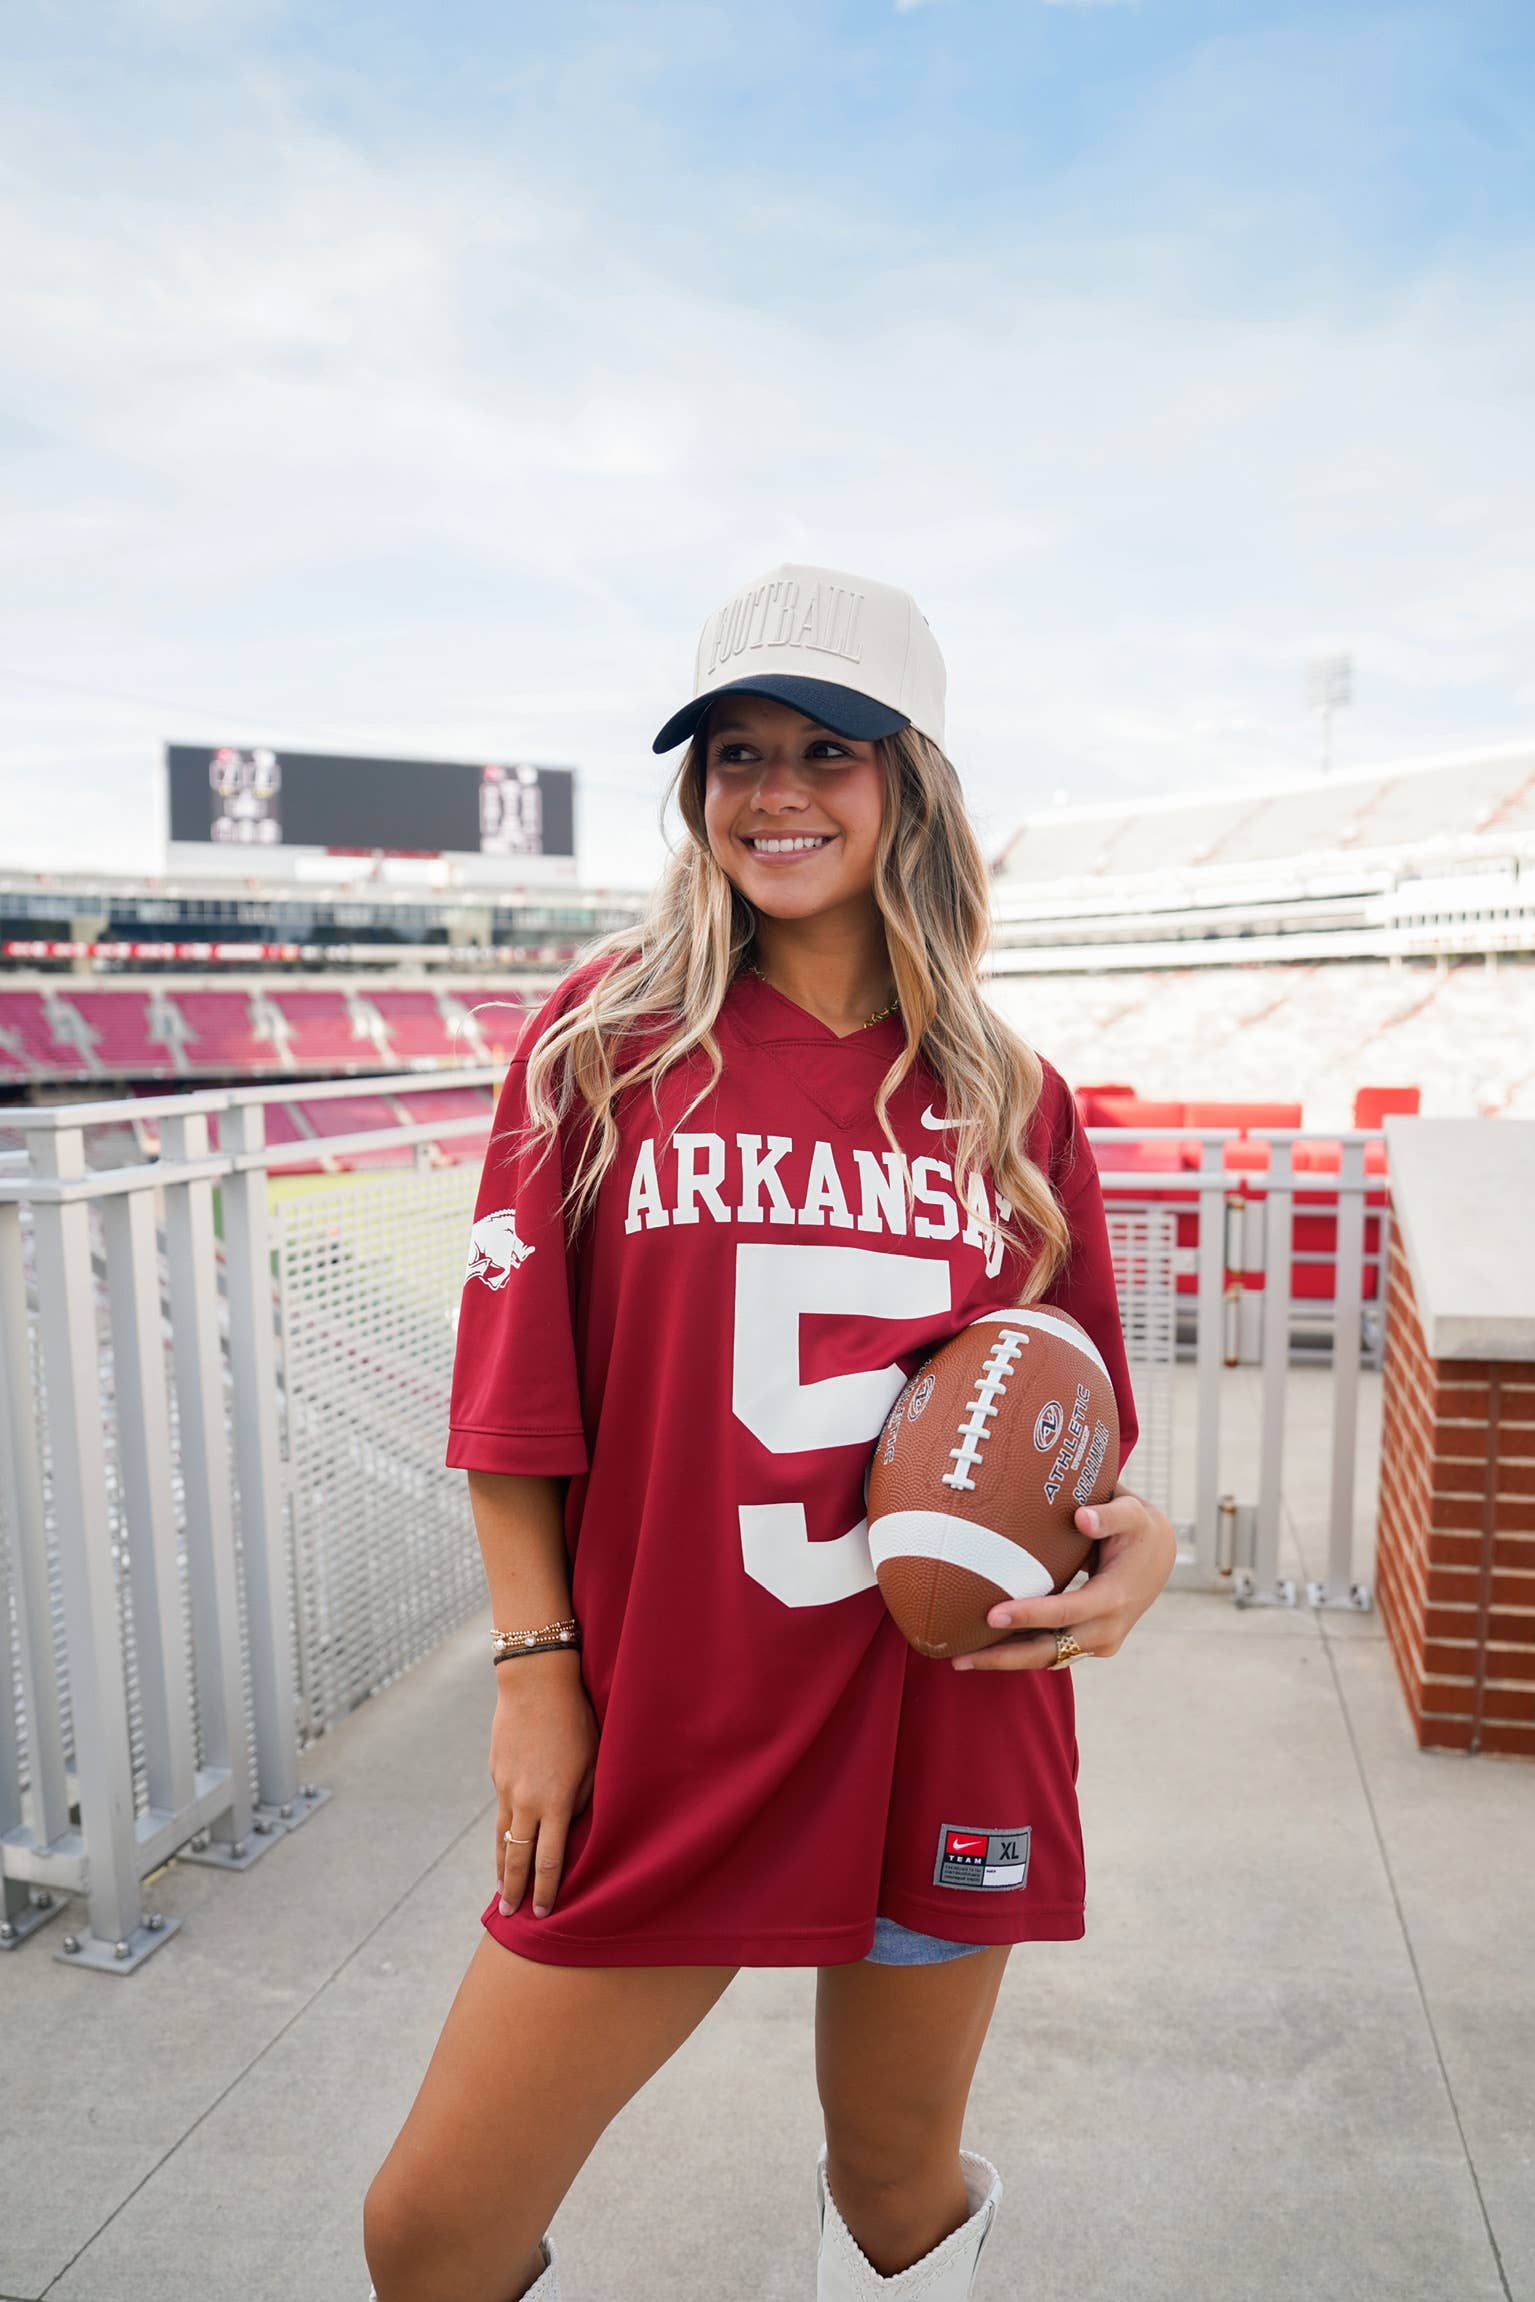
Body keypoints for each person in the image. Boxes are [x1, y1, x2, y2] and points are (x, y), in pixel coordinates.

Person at [363, 562, 1178, 2302]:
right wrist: (535, 1672)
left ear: (914, 786)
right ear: (695, 789)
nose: (779, 792)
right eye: (737, 754)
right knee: (430, 2232)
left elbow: (1073, 1434)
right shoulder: (600, 1043)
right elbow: (517, 1400)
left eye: (829, 748)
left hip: (941, 1723)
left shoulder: (1016, 1097)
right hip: (685, 1717)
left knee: (896, 2194)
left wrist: (1146, 1549)